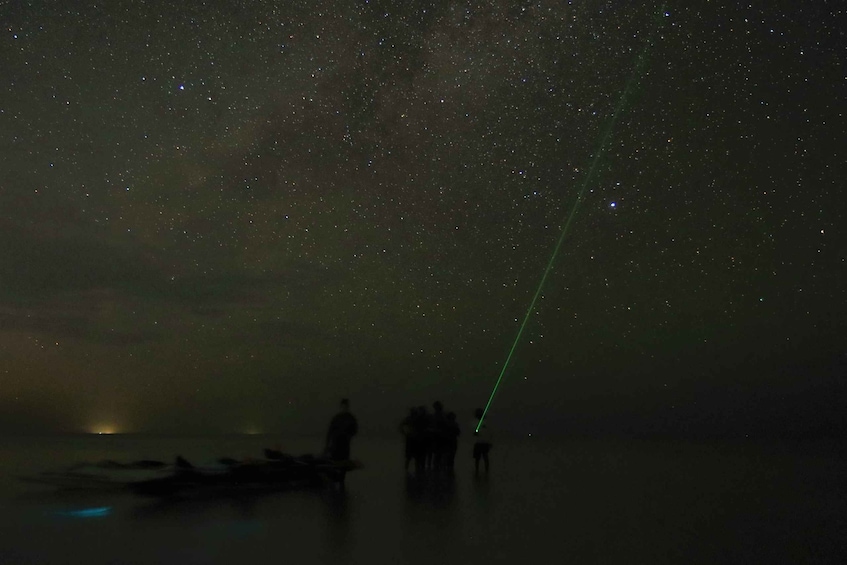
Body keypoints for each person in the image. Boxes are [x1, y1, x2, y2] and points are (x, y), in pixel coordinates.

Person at [472, 408, 492, 475]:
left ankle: (486, 471)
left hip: (484, 442)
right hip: (478, 442)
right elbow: (474, 432)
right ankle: (477, 471)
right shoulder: (475, 422)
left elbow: (489, 433)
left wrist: (489, 442)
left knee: (484, 457)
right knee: (478, 458)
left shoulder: (486, 422)